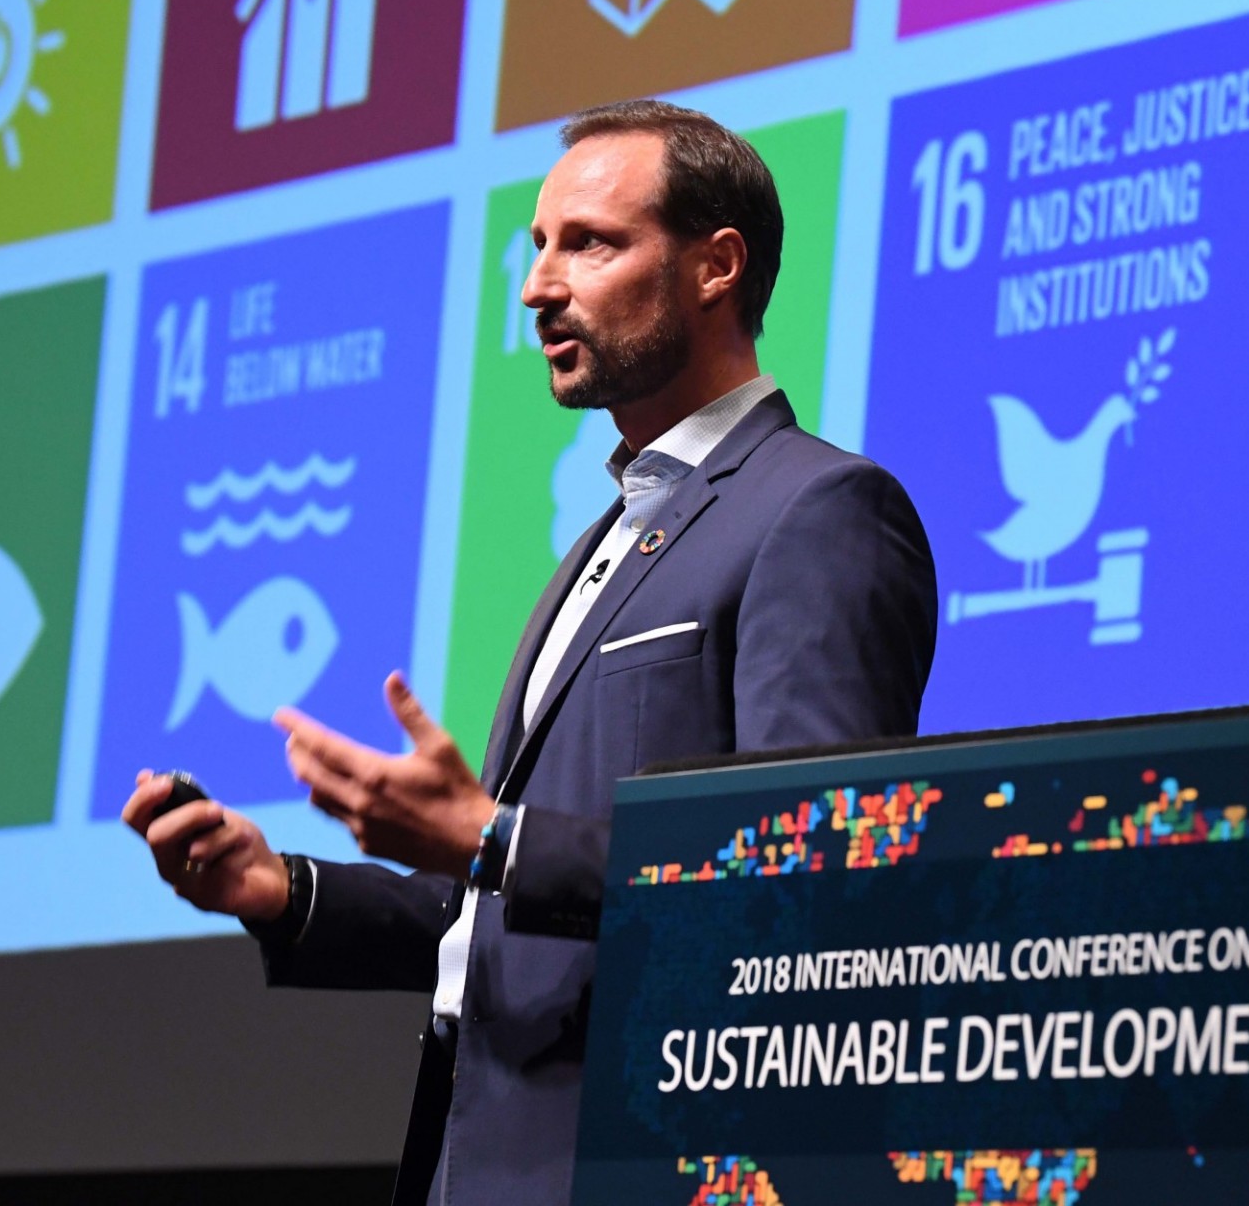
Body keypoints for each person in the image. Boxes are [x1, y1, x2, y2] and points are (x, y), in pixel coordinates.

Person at [122, 99, 937, 1205]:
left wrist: (492, 836)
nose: (538, 287)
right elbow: (513, 921)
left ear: (717, 265)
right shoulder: (602, 542)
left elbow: (814, 869)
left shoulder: (819, 509)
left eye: (590, 243)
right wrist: (280, 887)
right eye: (538, 246)